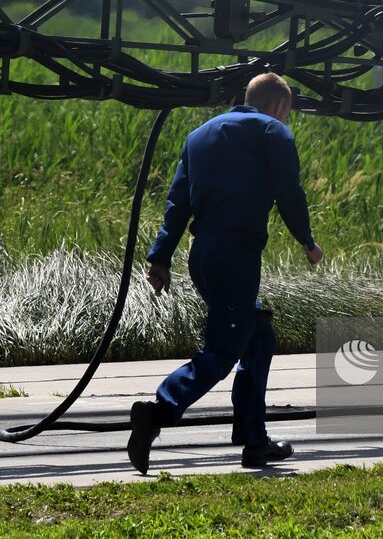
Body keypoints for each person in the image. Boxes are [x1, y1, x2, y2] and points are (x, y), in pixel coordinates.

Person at [127, 72, 324, 473]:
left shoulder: (199, 135)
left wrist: (161, 258)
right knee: (224, 349)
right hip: (236, 254)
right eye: (287, 114)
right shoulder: (274, 132)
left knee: (258, 336)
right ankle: (159, 410)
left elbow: (177, 202)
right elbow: (290, 193)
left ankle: (254, 441)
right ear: (281, 106)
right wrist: (307, 241)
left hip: (203, 256)